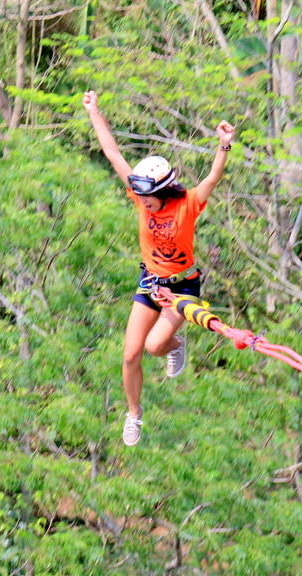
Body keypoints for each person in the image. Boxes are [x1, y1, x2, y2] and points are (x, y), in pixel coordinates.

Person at [82, 89, 235, 446]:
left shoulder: (187, 204)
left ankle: (174, 342)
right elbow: (113, 153)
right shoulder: (140, 196)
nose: (142, 203)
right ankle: (134, 413)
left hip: (182, 287)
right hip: (151, 282)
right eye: (140, 197)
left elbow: (212, 178)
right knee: (130, 354)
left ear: (163, 192)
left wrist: (224, 145)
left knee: (153, 348)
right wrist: (94, 111)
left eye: (148, 198)